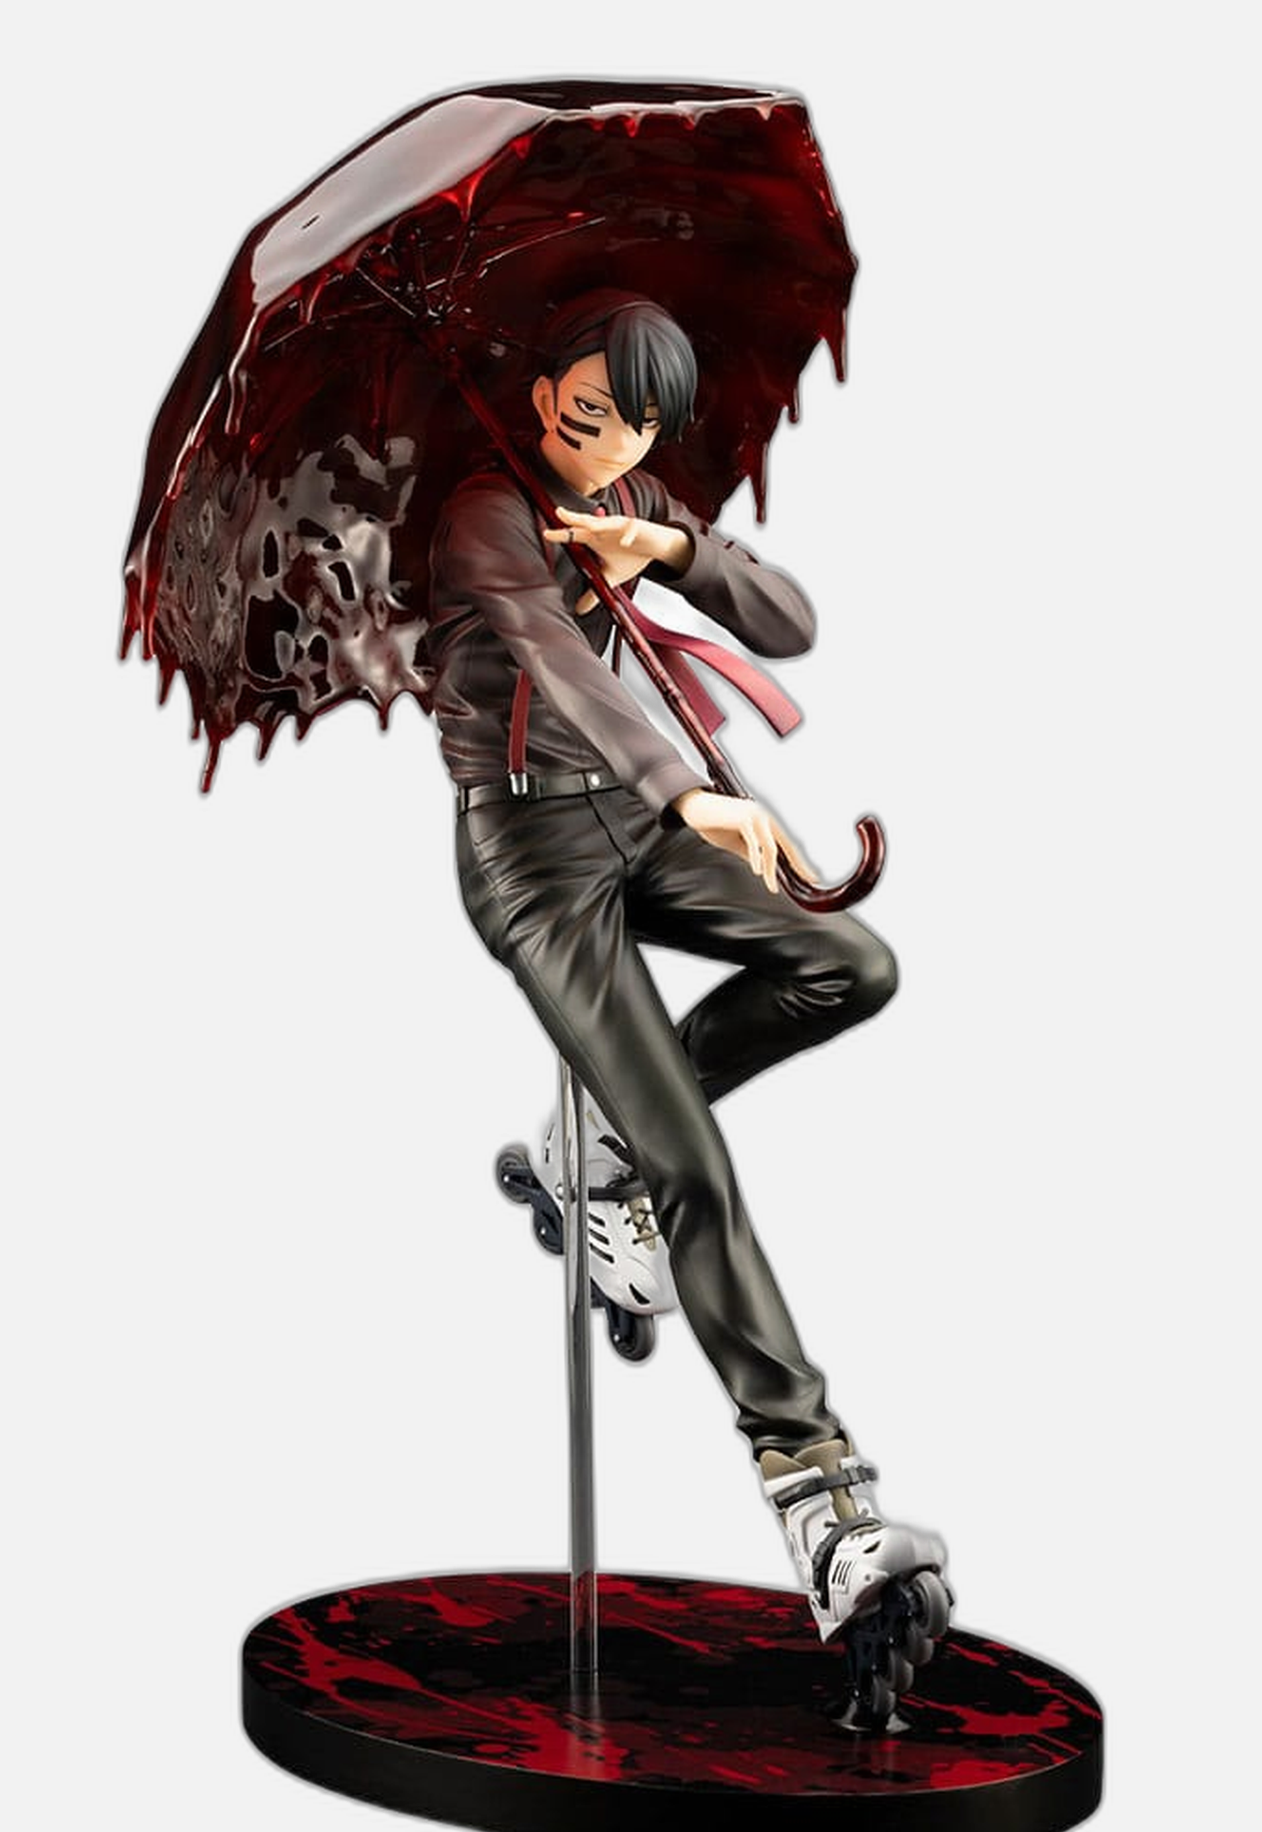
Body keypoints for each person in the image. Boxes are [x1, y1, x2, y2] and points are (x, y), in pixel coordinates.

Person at [425, 292, 950, 1696]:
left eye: (639, 433)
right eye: (591, 419)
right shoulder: (482, 512)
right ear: (545, 393)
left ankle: (599, 1140)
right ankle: (821, 1500)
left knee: (847, 964)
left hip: (630, 822)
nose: (609, 452)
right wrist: (689, 794)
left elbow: (791, 619)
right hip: (531, 854)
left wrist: (668, 545)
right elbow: (557, 666)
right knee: (693, 1169)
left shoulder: (627, 496)